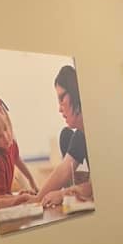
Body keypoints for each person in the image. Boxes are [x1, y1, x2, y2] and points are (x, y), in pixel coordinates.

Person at [34, 65, 93, 208]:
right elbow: (64, 169)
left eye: (62, 98)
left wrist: (62, 194)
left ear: (75, 93)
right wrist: (36, 199)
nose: (59, 109)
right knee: (65, 135)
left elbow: (100, 185)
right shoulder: (80, 133)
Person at [0, 95, 38, 208]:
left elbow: (17, 159)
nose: (6, 137)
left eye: (6, 128)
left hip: (5, 195)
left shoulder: (11, 144)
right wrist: (19, 198)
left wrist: (32, 181)